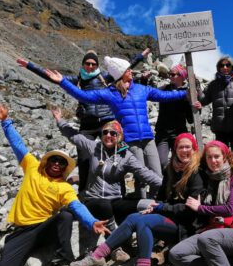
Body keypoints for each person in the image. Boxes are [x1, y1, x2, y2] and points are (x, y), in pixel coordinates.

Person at [0, 102, 109, 266]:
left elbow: (77, 206)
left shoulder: (64, 187)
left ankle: (62, 259)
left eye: (61, 163)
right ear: (46, 161)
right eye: (53, 160)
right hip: (22, 230)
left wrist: (92, 222)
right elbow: (18, 145)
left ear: (64, 169)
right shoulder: (32, 167)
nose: (56, 164)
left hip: (46, 228)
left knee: (64, 215)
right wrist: (5, 121)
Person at [69, 133, 205, 266]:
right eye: (180, 147)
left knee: (143, 221)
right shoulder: (170, 169)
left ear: (194, 149)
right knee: (135, 217)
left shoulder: (197, 173)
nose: (184, 150)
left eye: (188, 147)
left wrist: (162, 208)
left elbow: (190, 210)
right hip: (170, 218)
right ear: (175, 150)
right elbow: (161, 198)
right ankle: (98, 256)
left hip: (185, 226)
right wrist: (155, 207)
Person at [45, 57, 188, 197]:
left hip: (148, 138)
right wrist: (63, 82)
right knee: (140, 177)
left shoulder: (140, 89)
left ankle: (158, 202)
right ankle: (142, 204)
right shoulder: (110, 93)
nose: (131, 71)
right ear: (121, 73)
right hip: (131, 141)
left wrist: (187, 93)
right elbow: (83, 96)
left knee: (156, 173)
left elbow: (164, 96)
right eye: (127, 69)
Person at [17, 48, 151, 192]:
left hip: (107, 121)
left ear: (97, 65)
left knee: (117, 154)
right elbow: (51, 76)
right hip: (87, 122)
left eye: (94, 64)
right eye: (88, 63)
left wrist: (141, 57)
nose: (91, 66)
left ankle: (122, 191)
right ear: (83, 64)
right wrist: (29, 66)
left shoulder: (106, 77)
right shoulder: (77, 80)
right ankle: (84, 192)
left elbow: (124, 67)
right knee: (84, 157)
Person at [51, 108, 162, 231]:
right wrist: (59, 120)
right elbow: (74, 136)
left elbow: (145, 174)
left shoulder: (126, 156)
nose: (108, 135)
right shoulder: (94, 147)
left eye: (113, 133)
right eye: (105, 132)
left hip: (115, 199)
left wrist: (167, 185)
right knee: (103, 205)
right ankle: (114, 233)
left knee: (146, 204)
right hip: (93, 199)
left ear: (119, 137)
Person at [194, 56, 233, 155]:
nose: (224, 67)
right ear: (218, 68)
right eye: (221, 65)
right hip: (220, 127)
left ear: (232, 67)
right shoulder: (213, 84)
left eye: (227, 65)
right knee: (221, 154)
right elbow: (204, 100)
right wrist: (197, 87)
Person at [154, 64, 193, 170]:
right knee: (162, 163)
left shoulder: (188, 93)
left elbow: (191, 119)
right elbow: (149, 94)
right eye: (169, 74)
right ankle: (168, 182)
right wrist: (143, 80)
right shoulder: (163, 89)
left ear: (181, 76)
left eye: (173, 74)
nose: (170, 76)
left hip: (179, 133)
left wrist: (192, 100)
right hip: (163, 134)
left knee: (181, 162)